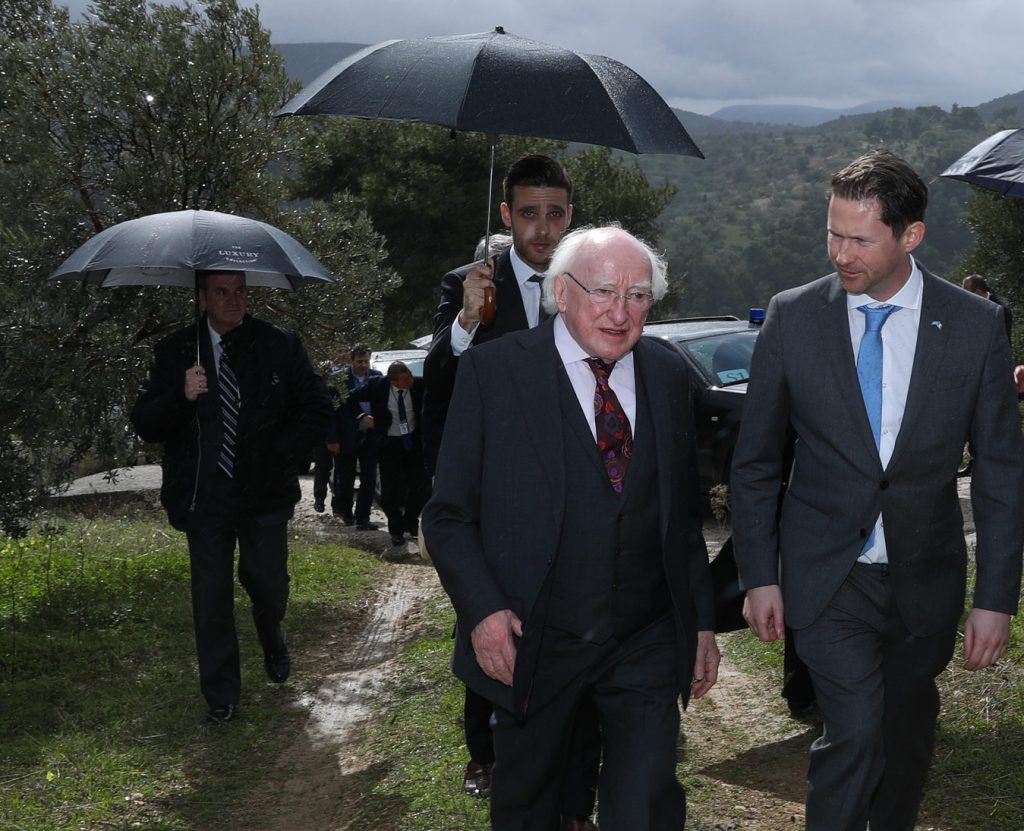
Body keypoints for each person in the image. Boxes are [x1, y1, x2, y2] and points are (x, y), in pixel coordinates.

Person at [730, 150, 1024, 831]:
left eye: (860, 238)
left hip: (926, 575)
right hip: (828, 574)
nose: (840, 252)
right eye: (833, 232)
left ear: (910, 236)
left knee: (905, 729)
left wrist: (995, 599)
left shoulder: (975, 327)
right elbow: (754, 461)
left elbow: (1001, 473)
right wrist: (758, 575)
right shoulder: (793, 316)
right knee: (856, 726)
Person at [423, 225, 721, 831]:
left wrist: (702, 622)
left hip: (645, 636)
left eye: (638, 296)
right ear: (562, 292)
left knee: (646, 802)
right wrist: (482, 612)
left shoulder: (667, 374)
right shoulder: (494, 374)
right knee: (529, 803)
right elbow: (448, 515)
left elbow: (681, 517)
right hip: (535, 637)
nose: (621, 312)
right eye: (604, 291)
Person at [131, 270, 331, 724]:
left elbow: (317, 406)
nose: (233, 300)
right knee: (211, 598)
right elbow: (145, 422)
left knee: (268, 584)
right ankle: (222, 695)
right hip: (205, 495)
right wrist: (181, 396)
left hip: (265, 493)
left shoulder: (280, 344)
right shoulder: (176, 352)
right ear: (202, 297)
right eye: (221, 292)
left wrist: (282, 455)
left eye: (240, 291)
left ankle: (271, 634)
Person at [349, 361, 431, 548]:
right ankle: (395, 530)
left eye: (410, 375)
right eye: (404, 379)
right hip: (389, 444)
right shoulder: (377, 385)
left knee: (421, 486)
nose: (410, 380)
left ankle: (410, 521)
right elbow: (349, 398)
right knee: (389, 492)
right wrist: (363, 417)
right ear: (393, 382)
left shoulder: (420, 386)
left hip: (413, 443)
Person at [326, 344, 382, 528]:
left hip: (370, 436)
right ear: (352, 361)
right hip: (346, 436)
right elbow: (331, 412)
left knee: (369, 477)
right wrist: (332, 439)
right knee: (346, 477)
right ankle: (347, 512)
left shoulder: (377, 377)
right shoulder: (339, 381)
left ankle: (363, 517)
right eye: (359, 361)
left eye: (366, 361)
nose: (363, 365)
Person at [312, 347, 350, 514]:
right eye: (339, 350)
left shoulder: (350, 373)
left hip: (343, 429)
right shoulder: (322, 372)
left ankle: (338, 503)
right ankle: (319, 499)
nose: (342, 355)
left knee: (341, 469)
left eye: (345, 351)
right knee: (323, 466)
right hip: (322, 427)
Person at [962, 273, 1013, 342]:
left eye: (966, 294)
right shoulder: (968, 309)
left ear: (977, 292)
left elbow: (1000, 341)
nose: (964, 298)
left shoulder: (1001, 311)